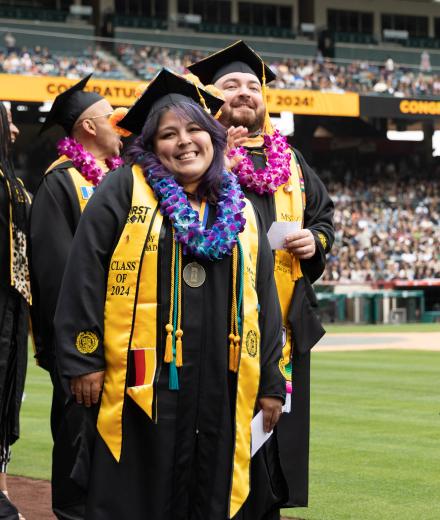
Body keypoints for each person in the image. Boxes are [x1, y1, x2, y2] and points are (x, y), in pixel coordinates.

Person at [54, 68, 285, 520]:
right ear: (151, 146)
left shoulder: (238, 206)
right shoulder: (123, 189)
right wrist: (84, 358)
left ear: (214, 138)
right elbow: (84, 273)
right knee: (140, 493)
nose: (184, 142)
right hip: (143, 381)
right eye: (169, 134)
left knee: (211, 490)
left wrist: (272, 383)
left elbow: (264, 299)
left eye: (196, 129)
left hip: (222, 380)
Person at [189, 41, 335, 512]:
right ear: (210, 97)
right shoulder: (194, 157)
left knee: (272, 451)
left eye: (254, 86)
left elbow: (324, 220)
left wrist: (316, 241)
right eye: (231, 85)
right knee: (218, 449)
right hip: (218, 323)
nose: (245, 93)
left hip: (284, 324)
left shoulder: (290, 161)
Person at [28, 74, 123, 520]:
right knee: (80, 455)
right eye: (111, 118)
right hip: (85, 354)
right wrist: (80, 357)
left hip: (126, 345)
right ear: (88, 127)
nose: (120, 126)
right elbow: (58, 278)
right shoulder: (62, 184)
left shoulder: (123, 182)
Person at [0, 102, 30, 520]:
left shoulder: (13, 182)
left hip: (12, 303)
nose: (16, 129)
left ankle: (2, 490)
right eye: (7, 119)